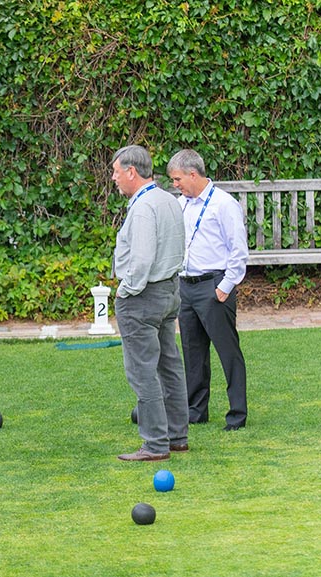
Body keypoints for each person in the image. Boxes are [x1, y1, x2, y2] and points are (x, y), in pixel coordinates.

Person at [111, 145, 189, 461]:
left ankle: (155, 444)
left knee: (142, 371)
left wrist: (126, 290)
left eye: (116, 171)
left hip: (144, 296)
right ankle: (177, 436)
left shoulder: (143, 208)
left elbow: (141, 260)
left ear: (132, 171)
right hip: (170, 290)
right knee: (168, 363)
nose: (114, 178)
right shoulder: (168, 200)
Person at [167, 149, 249, 431]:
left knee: (228, 352)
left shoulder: (224, 204)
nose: (175, 185)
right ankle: (195, 410)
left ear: (193, 174)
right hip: (186, 287)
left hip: (214, 287)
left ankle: (237, 414)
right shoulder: (182, 205)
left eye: (177, 179)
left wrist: (225, 286)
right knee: (193, 352)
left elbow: (238, 249)